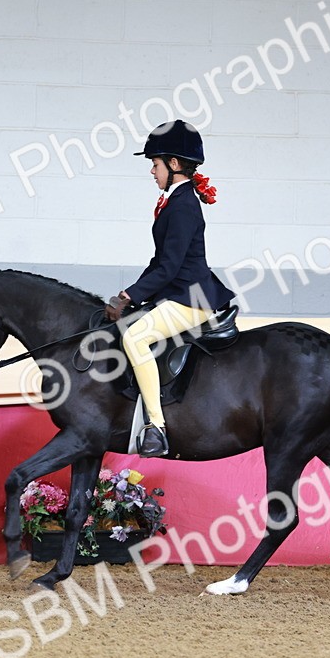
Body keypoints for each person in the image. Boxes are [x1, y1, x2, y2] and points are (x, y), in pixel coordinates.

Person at [105, 120, 236, 457]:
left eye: (155, 164)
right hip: (178, 293)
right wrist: (131, 294)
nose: (152, 171)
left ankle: (156, 427)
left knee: (135, 338)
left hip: (191, 298)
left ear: (174, 164)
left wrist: (129, 296)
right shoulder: (175, 200)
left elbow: (170, 266)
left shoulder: (183, 205)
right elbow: (159, 260)